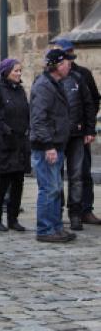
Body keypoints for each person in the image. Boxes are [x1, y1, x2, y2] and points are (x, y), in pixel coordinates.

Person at [31, 49, 76, 243]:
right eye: (67, 62)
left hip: (56, 144)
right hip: (46, 146)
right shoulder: (43, 86)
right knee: (49, 188)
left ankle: (55, 226)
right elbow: (38, 119)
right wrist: (48, 145)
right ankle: (45, 229)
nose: (70, 65)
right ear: (57, 66)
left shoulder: (55, 84)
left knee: (56, 187)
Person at [54, 39, 101, 225]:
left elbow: (93, 102)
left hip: (79, 133)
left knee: (82, 173)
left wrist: (88, 127)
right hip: (58, 134)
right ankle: (56, 210)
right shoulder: (50, 76)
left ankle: (84, 210)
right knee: (56, 174)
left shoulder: (83, 74)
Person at [0, 58, 30, 232]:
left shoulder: (20, 90)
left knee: (18, 182)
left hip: (20, 143)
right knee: (3, 183)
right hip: (5, 143)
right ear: (6, 72)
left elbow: (26, 113)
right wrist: (6, 132)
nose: (19, 74)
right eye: (16, 71)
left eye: (20, 70)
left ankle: (13, 218)